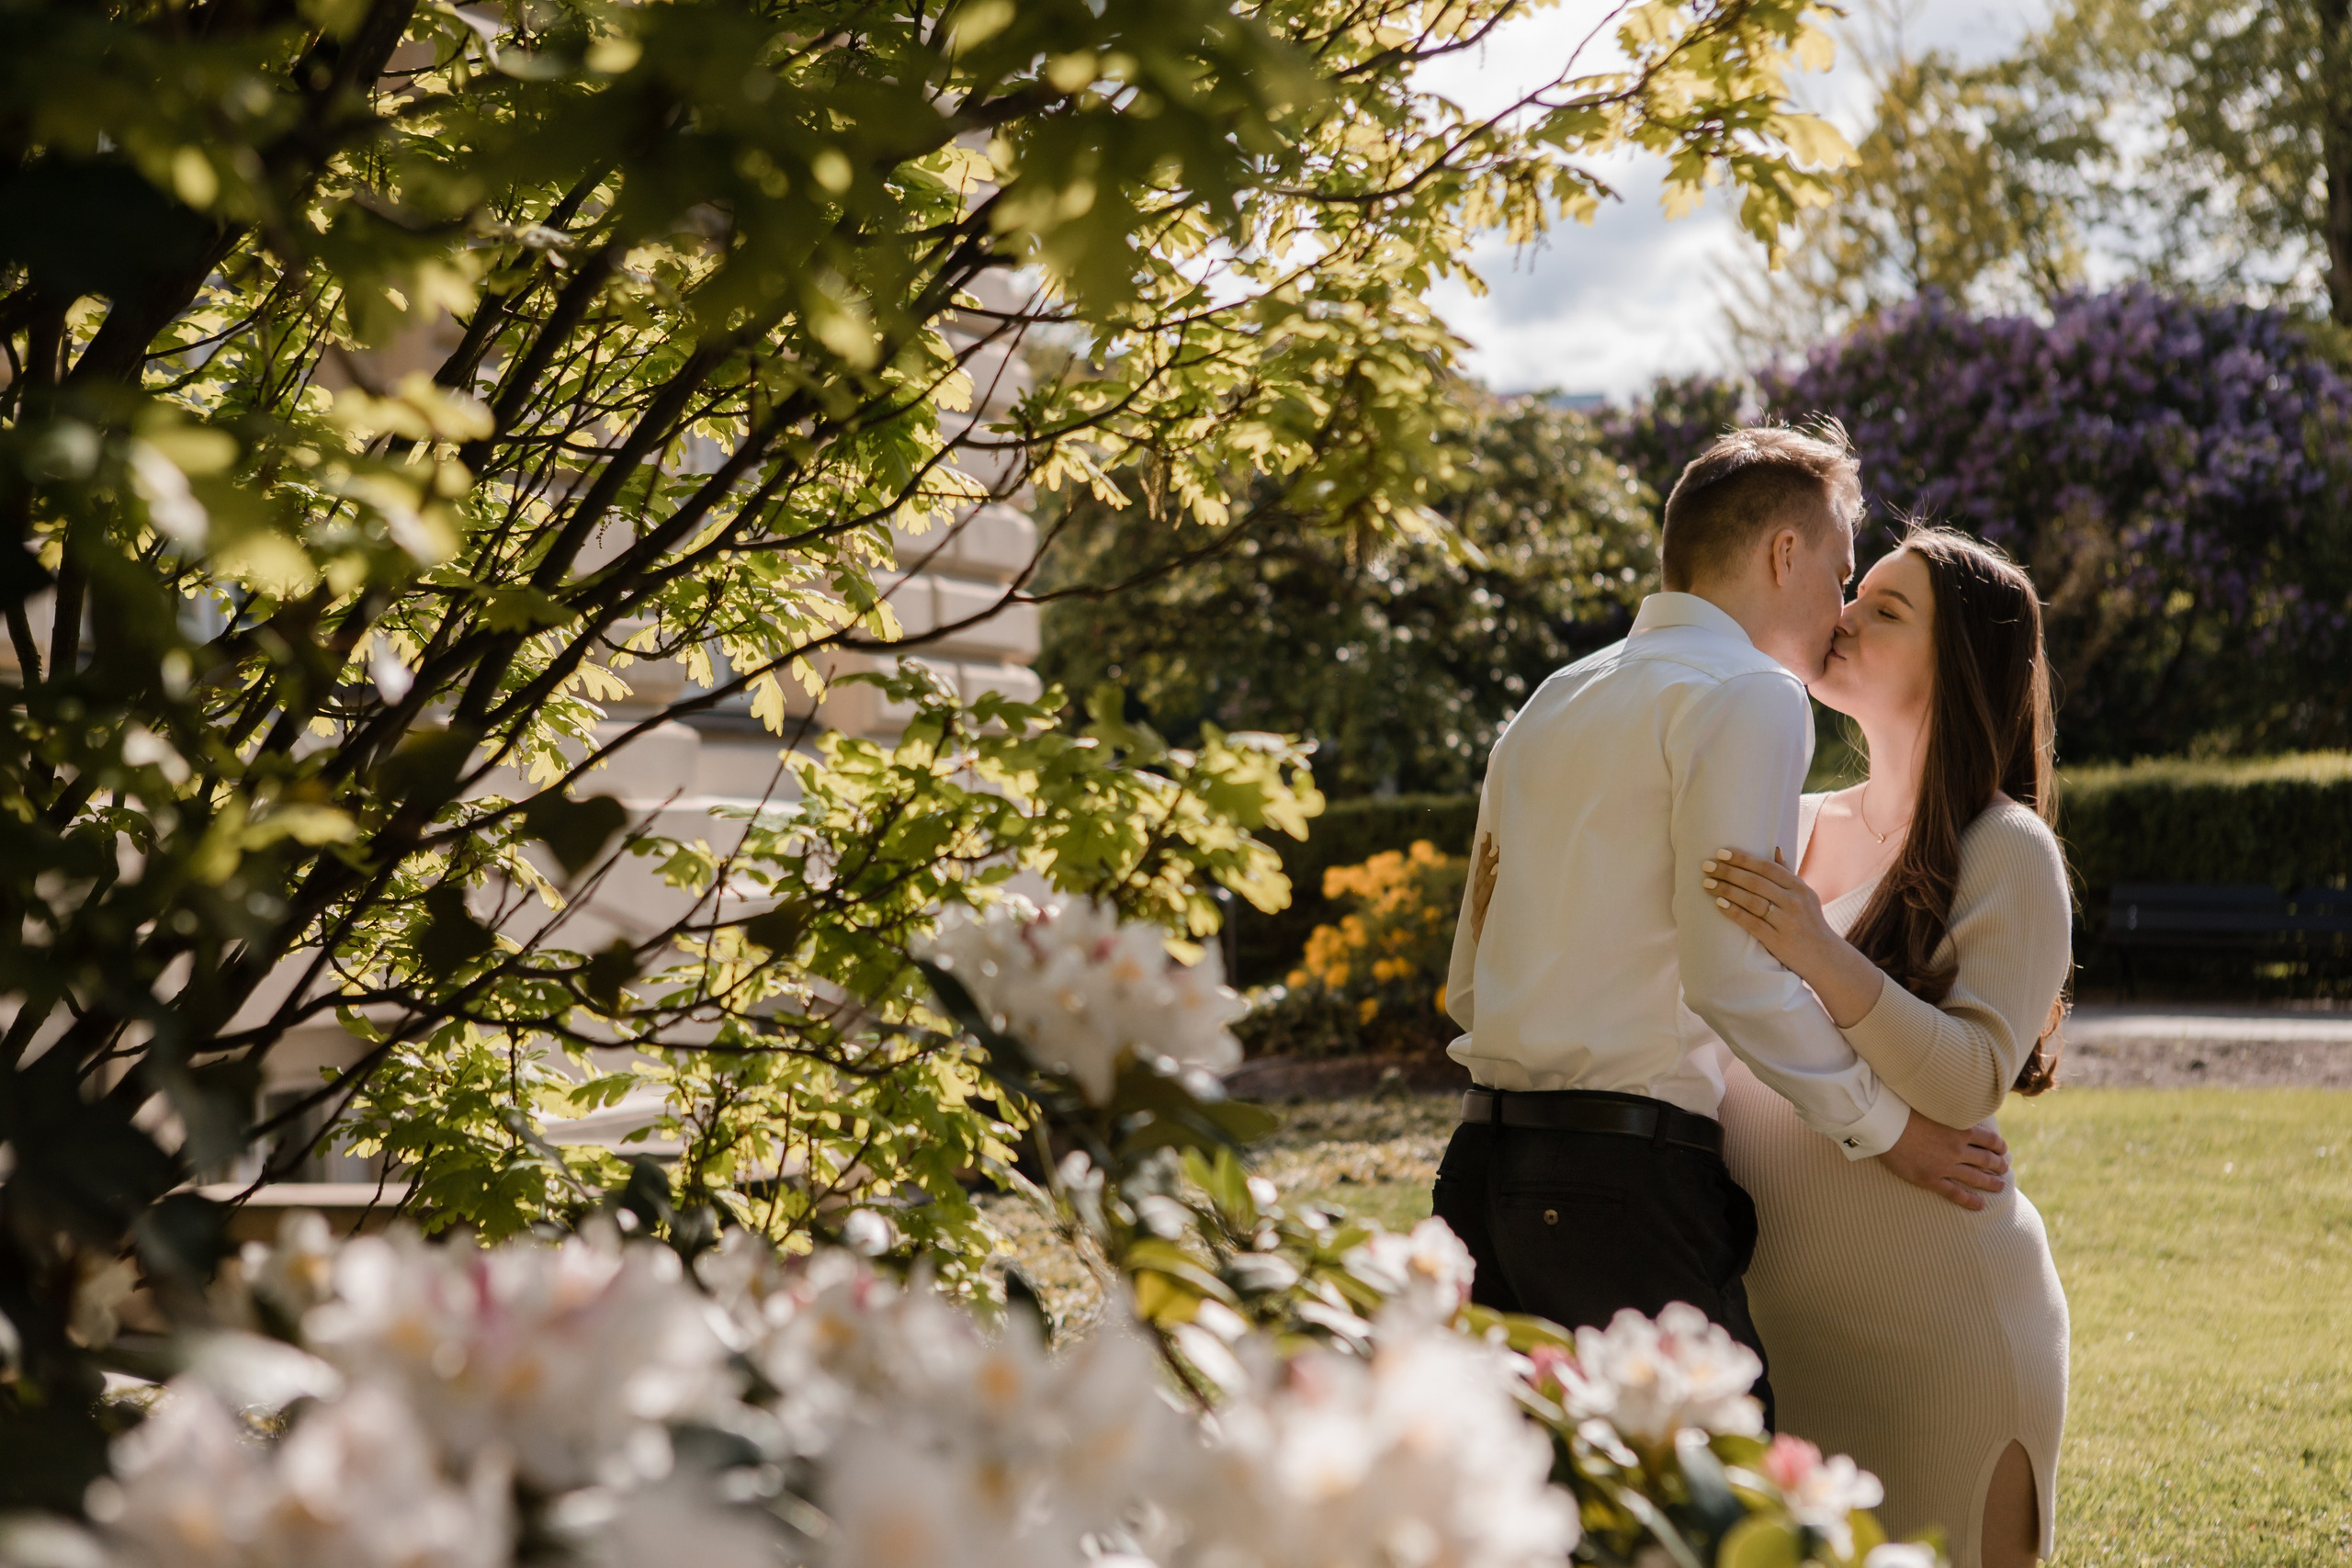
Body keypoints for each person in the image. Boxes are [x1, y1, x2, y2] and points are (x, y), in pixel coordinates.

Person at [1431, 425, 2012, 1427]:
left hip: (1480, 1177)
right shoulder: (1749, 694)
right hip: (1624, 1192)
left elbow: (1469, 988)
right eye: (1838, 572)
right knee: (1728, 1511)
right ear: (1782, 555)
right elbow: (1730, 976)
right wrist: (1889, 1133)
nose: (1839, 609)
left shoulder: (1548, 701)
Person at [1705, 526, 2071, 1568]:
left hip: (1943, 1336)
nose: (1845, 613)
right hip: (1783, 1337)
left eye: (1887, 610)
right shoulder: (1790, 821)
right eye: (1854, 592)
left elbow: (1964, 1079)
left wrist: (1816, 949)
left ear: (1956, 665)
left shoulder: (2004, 849)